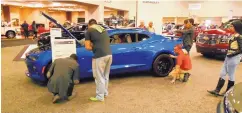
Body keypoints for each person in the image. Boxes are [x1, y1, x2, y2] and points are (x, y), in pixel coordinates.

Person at [207, 20, 242, 96]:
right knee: (222, 73)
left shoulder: (239, 37)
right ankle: (217, 90)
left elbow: (241, 49)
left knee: (231, 75)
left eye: (232, 26)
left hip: (234, 57)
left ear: (237, 27)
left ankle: (228, 93)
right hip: (228, 56)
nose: (230, 27)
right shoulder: (233, 35)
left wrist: (232, 54)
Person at [85, 19, 112, 102]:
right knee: (105, 76)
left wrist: (93, 46)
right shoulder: (103, 29)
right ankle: (104, 93)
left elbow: (87, 47)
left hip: (100, 56)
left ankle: (100, 97)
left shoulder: (89, 30)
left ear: (89, 25)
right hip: (109, 55)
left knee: (99, 77)